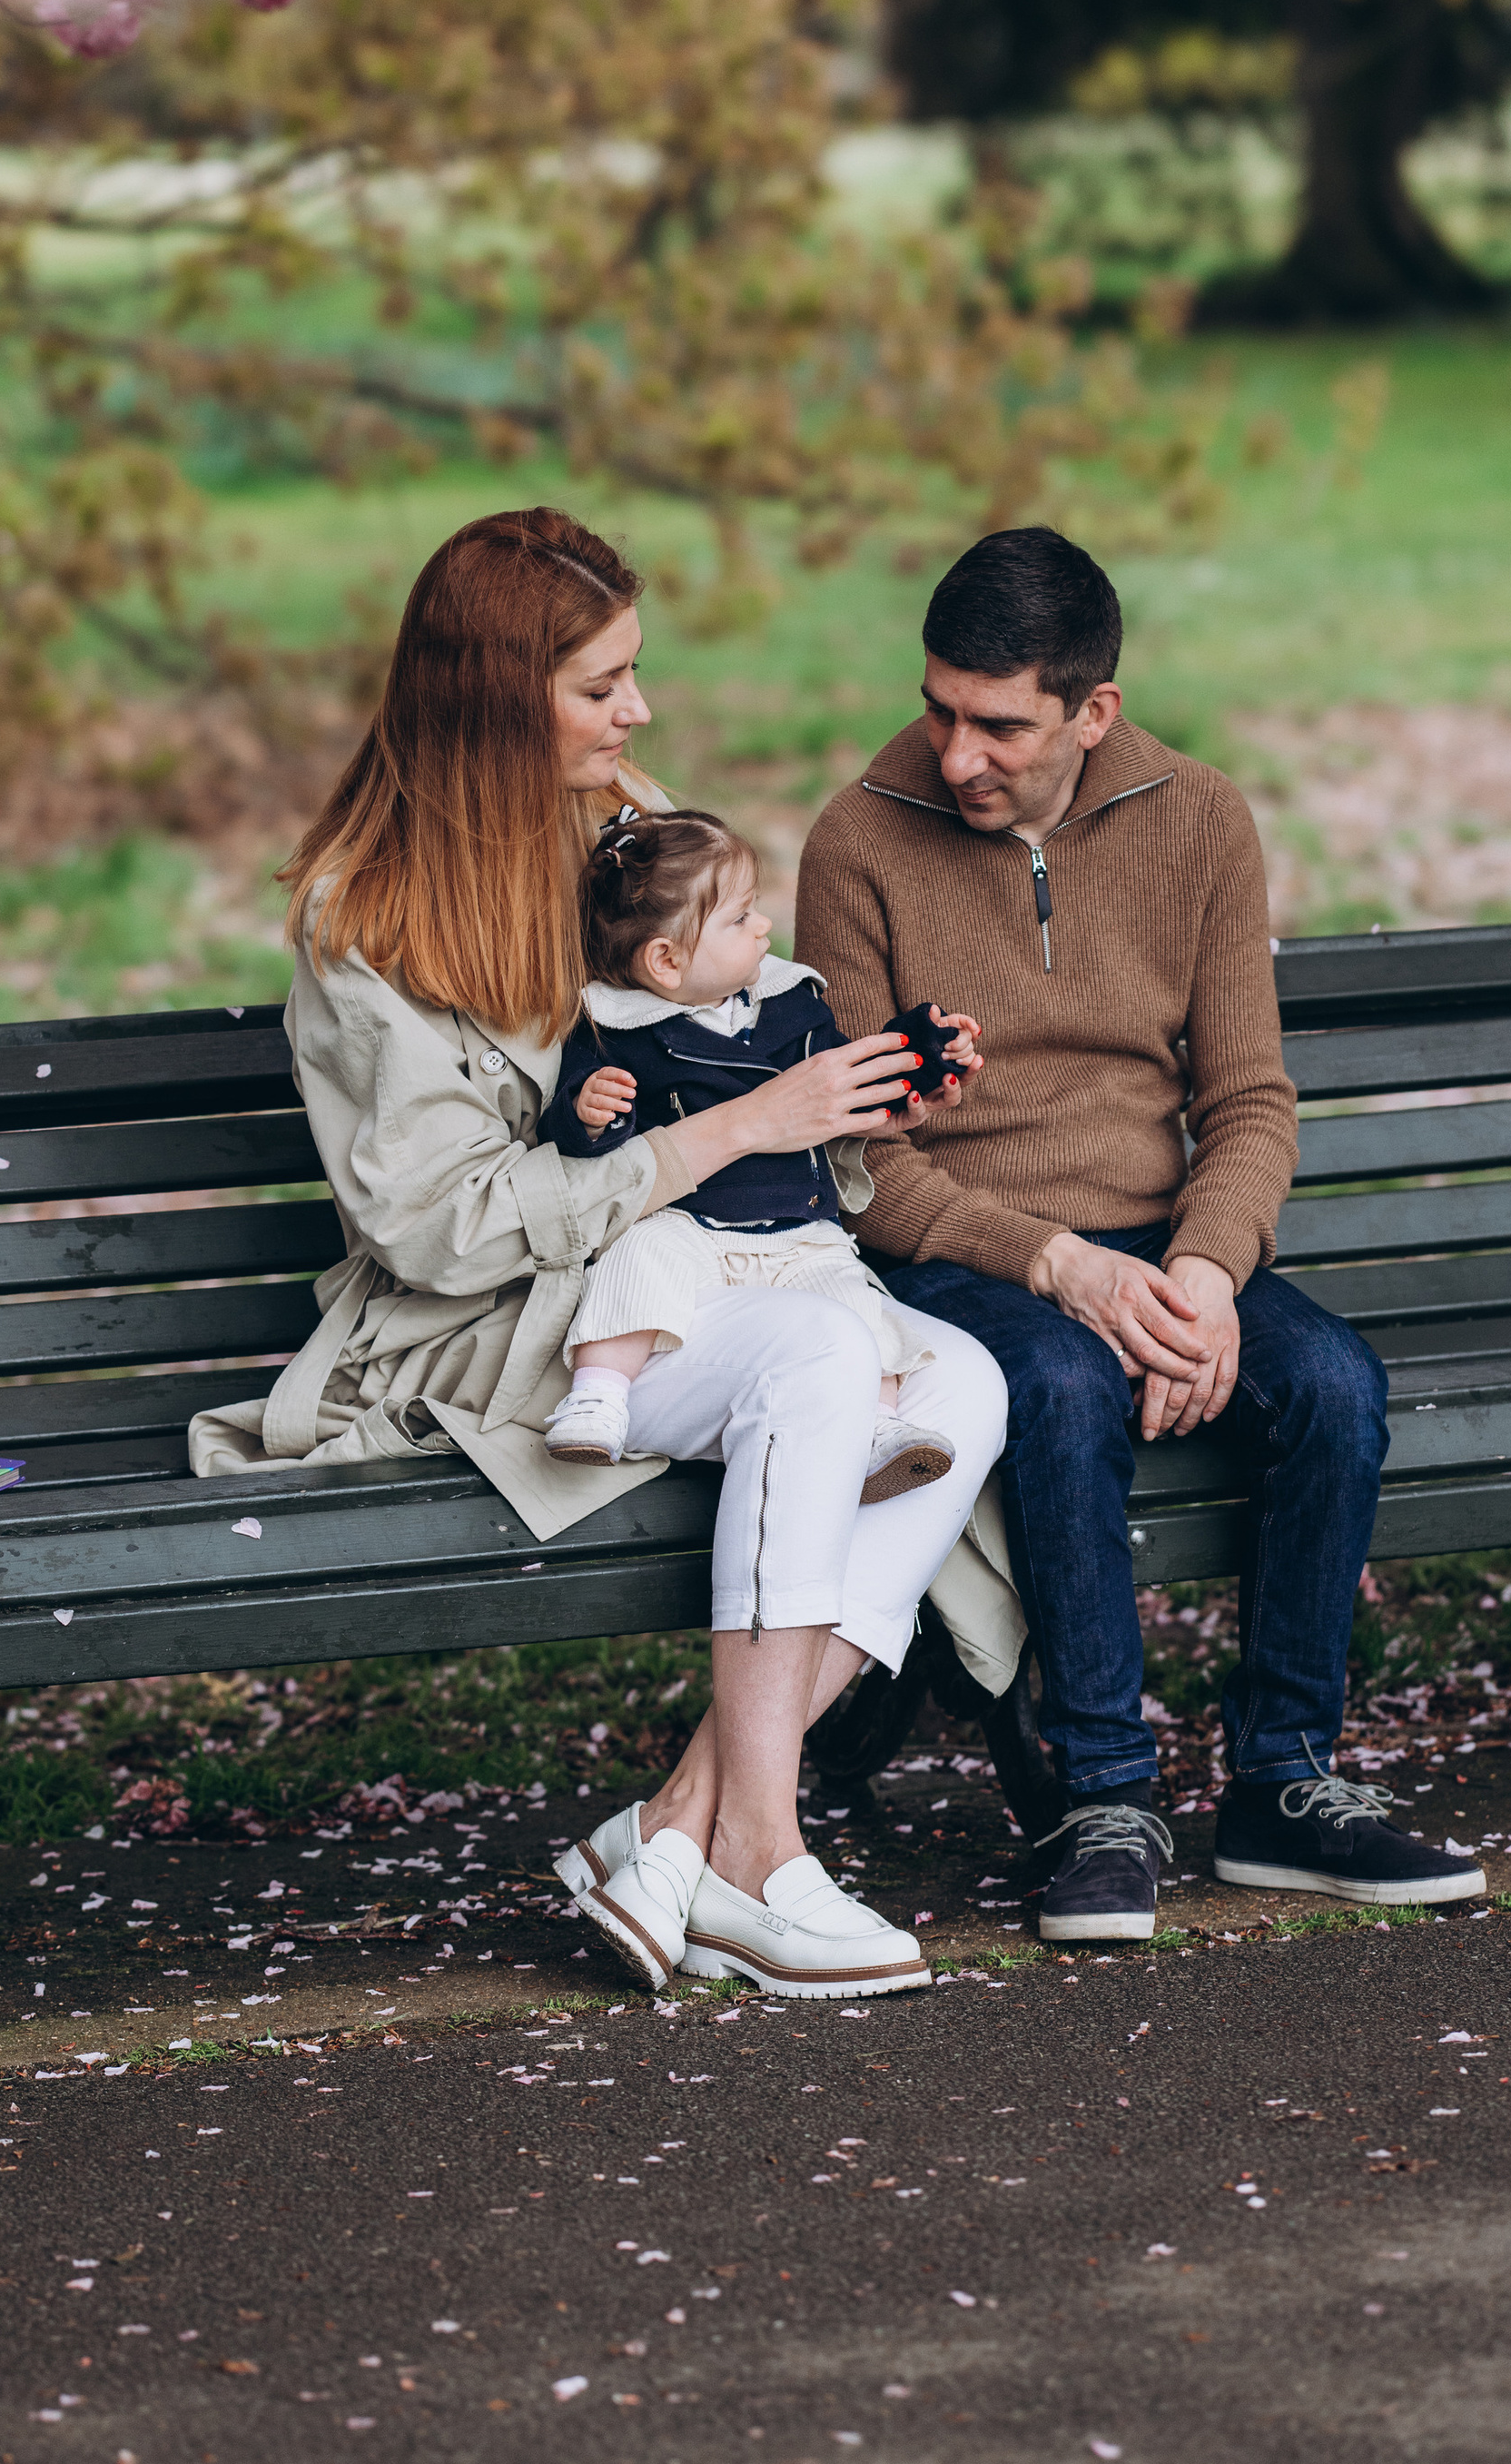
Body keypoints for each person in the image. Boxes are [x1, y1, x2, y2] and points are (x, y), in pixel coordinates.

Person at [185, 506, 1012, 2003]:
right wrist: (715, 1136)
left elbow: (739, 1024)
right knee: (830, 1357)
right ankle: (767, 1852)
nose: (639, 711)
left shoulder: (621, 830)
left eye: (635, 674)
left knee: (957, 1381)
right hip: (494, 1326)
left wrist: (858, 1081)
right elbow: (435, 1229)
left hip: (687, 1274)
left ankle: (676, 1827)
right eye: (600, 684)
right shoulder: (365, 921)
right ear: (496, 698)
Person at [795, 523, 1485, 1942]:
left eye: (1000, 724)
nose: (956, 752)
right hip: (965, 1252)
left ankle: (1284, 1782)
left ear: (1093, 712)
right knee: (1053, 1383)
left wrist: (1203, 1276)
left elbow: (1247, 1098)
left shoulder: (1199, 820)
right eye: (938, 708)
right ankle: (1106, 1793)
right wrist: (1057, 1266)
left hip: (1158, 1234)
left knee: (1337, 1386)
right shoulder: (859, 837)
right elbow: (864, 1160)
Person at [537, 802, 968, 1506]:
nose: (764, 925)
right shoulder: (617, 1027)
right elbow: (591, 1141)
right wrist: (588, 1109)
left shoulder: (790, 1002)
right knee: (634, 1264)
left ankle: (880, 1426)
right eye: (740, 918)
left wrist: (920, 1052)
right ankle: (597, 1396)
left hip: (797, 1229)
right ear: (666, 960)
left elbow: (844, 1075)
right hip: (688, 1225)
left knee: (852, 1303)